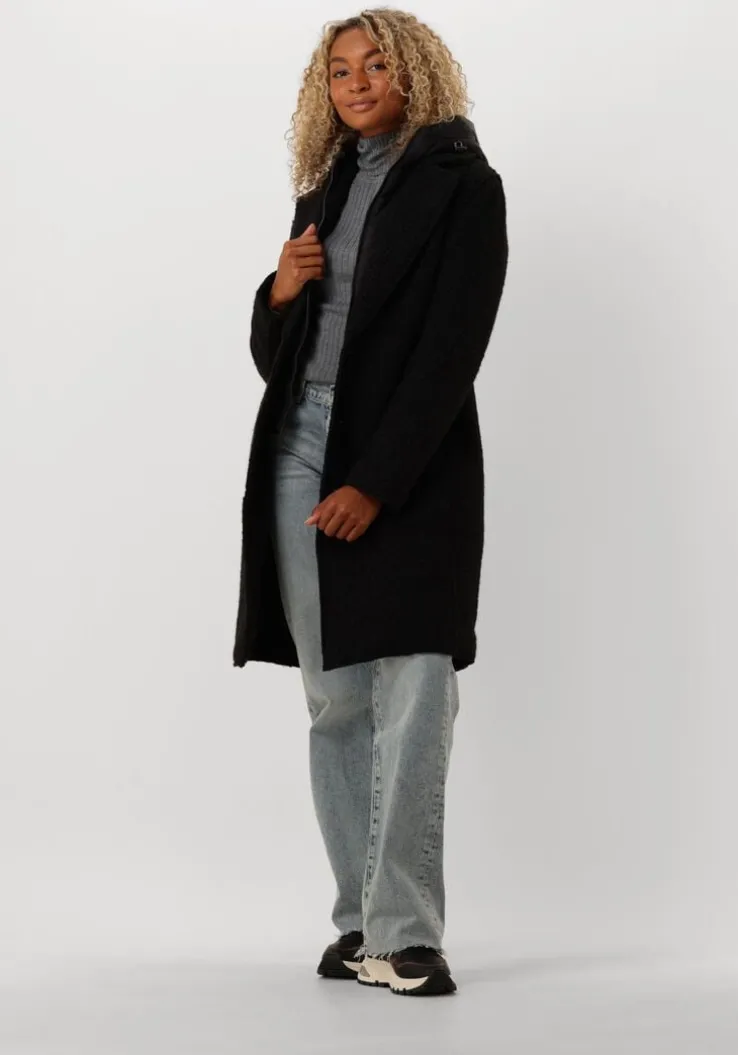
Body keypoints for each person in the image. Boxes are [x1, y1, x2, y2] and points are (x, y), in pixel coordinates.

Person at [233, 8, 508, 996]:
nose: (355, 81)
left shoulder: (464, 185)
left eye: (375, 63)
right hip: (299, 449)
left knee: (417, 688)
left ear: (414, 72)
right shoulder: (324, 188)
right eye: (339, 69)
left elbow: (452, 349)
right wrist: (279, 292)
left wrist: (375, 480)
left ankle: (407, 932)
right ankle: (359, 924)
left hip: (411, 463)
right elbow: (280, 360)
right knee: (337, 697)